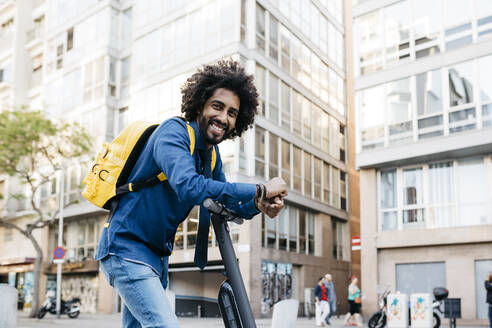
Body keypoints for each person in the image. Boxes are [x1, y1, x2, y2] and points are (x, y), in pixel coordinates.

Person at [95, 60, 288, 328]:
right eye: (217, 107)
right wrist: (261, 188)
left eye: (232, 113)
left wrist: (259, 204)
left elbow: (224, 200)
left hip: (156, 258)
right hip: (126, 249)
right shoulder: (172, 133)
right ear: (199, 105)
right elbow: (189, 186)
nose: (224, 118)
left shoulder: (210, 155)